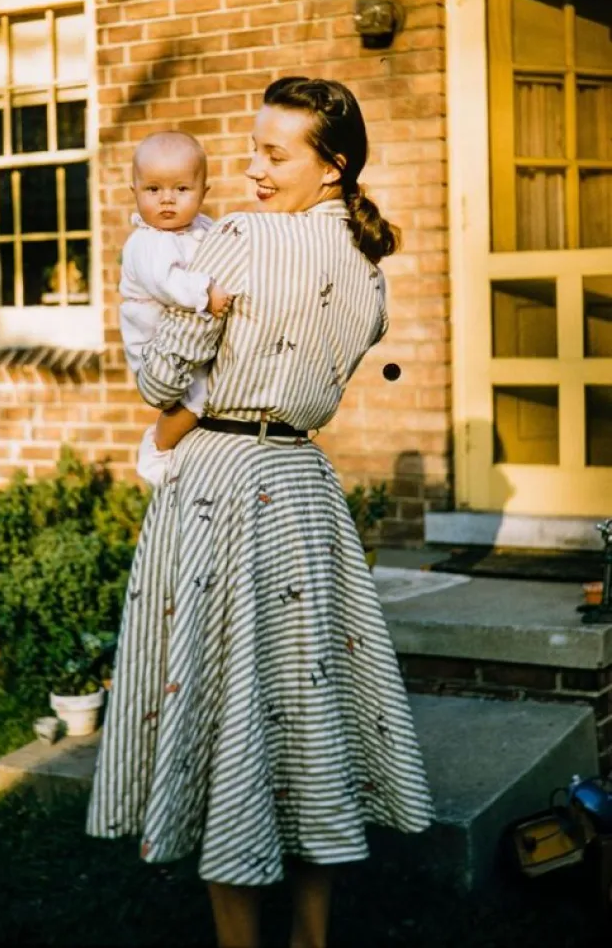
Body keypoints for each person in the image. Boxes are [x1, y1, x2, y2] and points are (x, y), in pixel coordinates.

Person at [87, 77, 433, 948]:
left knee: (222, 708)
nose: (251, 169)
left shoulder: (241, 240)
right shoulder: (366, 267)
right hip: (305, 491)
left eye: (274, 154)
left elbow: (163, 383)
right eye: (253, 149)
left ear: (332, 166)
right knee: (306, 708)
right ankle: (310, 937)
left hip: (221, 486)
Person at [120, 130, 233, 485]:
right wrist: (207, 292)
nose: (167, 200)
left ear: (203, 193)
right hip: (153, 344)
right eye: (153, 190)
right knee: (198, 399)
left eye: (181, 190)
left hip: (185, 339)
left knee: (213, 390)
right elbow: (166, 283)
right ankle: (158, 446)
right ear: (135, 192)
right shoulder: (146, 242)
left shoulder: (201, 230)